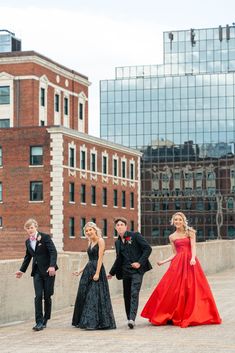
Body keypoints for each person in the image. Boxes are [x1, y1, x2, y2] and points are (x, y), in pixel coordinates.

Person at [141, 212, 222, 328]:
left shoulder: (190, 232)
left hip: (190, 262)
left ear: (184, 221)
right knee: (171, 289)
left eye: (179, 219)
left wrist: (193, 258)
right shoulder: (172, 236)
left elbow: (193, 247)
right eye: (175, 220)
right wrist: (164, 261)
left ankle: (192, 314)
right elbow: (175, 253)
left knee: (192, 288)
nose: (177, 222)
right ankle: (170, 313)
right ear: (173, 222)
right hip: (177, 264)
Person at [108, 217, 152, 329]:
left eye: (122, 224)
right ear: (115, 228)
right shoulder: (117, 242)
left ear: (126, 226)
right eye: (118, 225)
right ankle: (129, 318)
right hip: (125, 271)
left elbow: (148, 248)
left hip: (137, 271)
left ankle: (132, 319)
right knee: (126, 295)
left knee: (134, 293)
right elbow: (119, 259)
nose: (120, 226)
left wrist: (139, 263)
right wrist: (111, 273)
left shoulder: (135, 236)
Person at [15, 218, 58, 331]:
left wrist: (52, 265)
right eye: (28, 228)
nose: (30, 230)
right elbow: (28, 256)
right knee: (38, 296)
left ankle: (45, 318)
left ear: (36, 227)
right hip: (37, 272)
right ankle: (38, 322)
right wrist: (22, 270)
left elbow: (53, 251)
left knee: (47, 295)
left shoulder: (45, 237)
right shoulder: (28, 242)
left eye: (31, 227)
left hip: (49, 271)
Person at [72, 222, 116, 330]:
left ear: (95, 230)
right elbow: (89, 260)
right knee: (84, 294)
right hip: (88, 270)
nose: (88, 232)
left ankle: (93, 323)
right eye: (86, 231)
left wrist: (97, 273)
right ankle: (84, 321)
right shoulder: (90, 242)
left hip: (97, 270)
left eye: (90, 230)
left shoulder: (101, 241)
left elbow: (100, 258)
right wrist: (80, 271)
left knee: (94, 295)